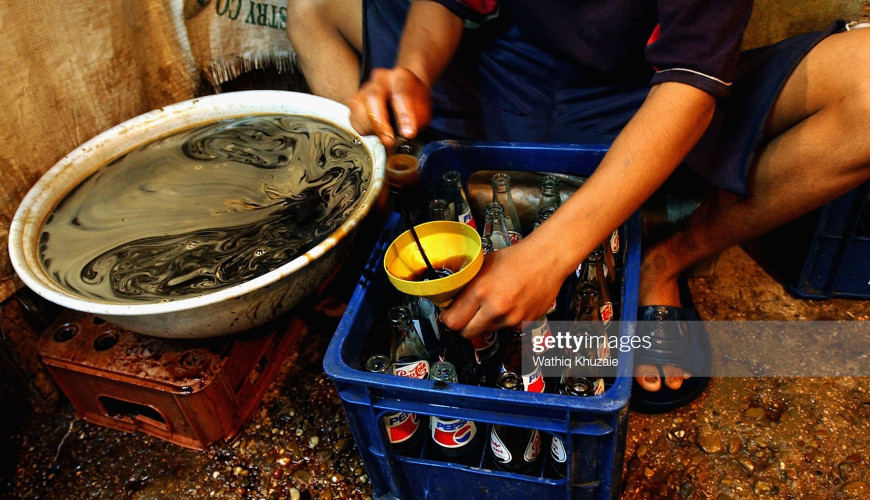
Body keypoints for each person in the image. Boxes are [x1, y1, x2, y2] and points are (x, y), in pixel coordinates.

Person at [287, 0, 870, 411]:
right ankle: (404, 210)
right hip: (501, 73)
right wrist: (414, 68)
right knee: (310, 7)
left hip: (637, 95)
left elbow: (691, 84)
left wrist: (550, 256)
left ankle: (665, 258)